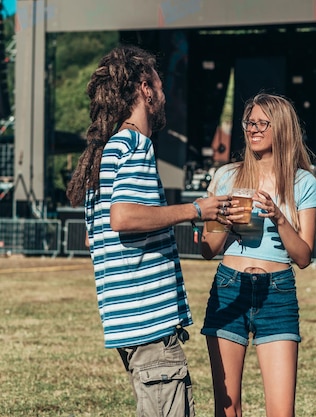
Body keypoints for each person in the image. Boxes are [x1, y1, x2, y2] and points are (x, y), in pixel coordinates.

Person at [65, 45, 232, 417]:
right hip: (150, 325)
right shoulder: (135, 145)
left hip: (127, 321)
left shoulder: (107, 151)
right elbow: (123, 218)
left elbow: (96, 237)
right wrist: (195, 210)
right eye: (159, 84)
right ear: (144, 87)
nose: (163, 94)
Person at [199, 92, 316, 417]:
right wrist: (217, 223)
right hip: (229, 288)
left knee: (281, 412)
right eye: (249, 122)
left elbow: (304, 256)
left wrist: (279, 218)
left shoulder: (302, 182)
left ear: (280, 128)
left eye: (261, 123)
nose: (252, 129)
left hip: (277, 293)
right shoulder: (226, 176)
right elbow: (208, 250)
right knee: (228, 408)